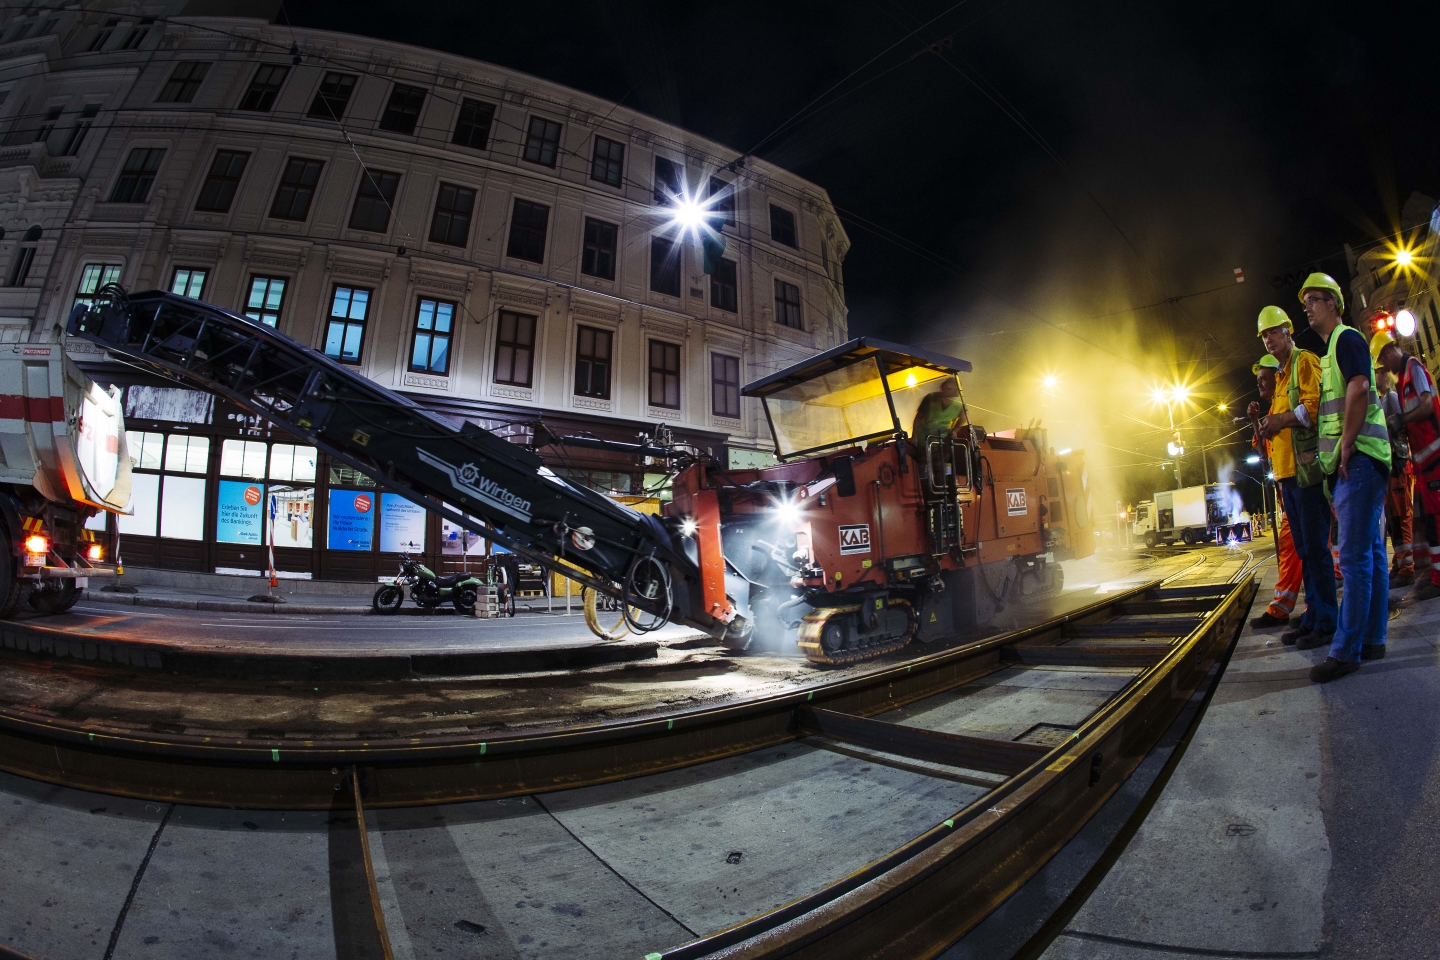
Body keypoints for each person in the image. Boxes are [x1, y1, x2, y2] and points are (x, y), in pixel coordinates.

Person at [1302, 272, 1389, 682]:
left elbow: (1358, 388)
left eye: (1314, 299)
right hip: (1363, 461)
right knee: (1370, 554)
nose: (1308, 306)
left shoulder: (1347, 339)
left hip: (1357, 461)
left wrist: (1347, 445)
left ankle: (1346, 650)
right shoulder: (1333, 349)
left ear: (1333, 303)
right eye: (1306, 301)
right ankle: (1372, 640)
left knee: (1353, 558)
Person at [1249, 305, 1335, 647]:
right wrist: (1266, 423)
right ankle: (1314, 614)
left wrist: (1279, 420)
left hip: (1306, 473)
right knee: (1305, 550)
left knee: (1315, 548)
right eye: (1264, 335)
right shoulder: (1282, 376)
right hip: (1288, 477)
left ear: (1288, 331)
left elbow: (1312, 409)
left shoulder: (1304, 362)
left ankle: (1327, 620)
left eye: (1273, 332)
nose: (1268, 339)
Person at [1372, 329, 1440, 600]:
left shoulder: (1414, 368)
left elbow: (1427, 406)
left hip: (1433, 453)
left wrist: (1402, 420)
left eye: (1382, 363)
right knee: (1430, 518)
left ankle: (1436, 576)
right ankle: (1434, 573)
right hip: (1423, 457)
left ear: (1388, 353)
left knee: (1434, 517)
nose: (1383, 370)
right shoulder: (1402, 380)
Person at [1249, 354, 1303, 628]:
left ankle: (1284, 609)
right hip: (1289, 488)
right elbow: (1261, 449)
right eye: (1257, 380)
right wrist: (1255, 420)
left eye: (1263, 378)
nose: (1259, 383)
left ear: (1276, 377)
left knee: (1299, 548)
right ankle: (1303, 608)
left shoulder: (1285, 402)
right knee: (1297, 548)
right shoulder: (1271, 412)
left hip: (1300, 481)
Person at [1373, 363, 1415, 586]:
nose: (1375, 376)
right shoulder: (1382, 399)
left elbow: (1400, 430)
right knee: (1393, 520)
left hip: (1397, 464)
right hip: (1389, 466)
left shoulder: (1391, 398)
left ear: (1386, 374)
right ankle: (1400, 562)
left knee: (1401, 516)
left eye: (1378, 371)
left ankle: (1407, 567)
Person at [911, 376, 967, 442]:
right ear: (943, 386)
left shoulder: (959, 405)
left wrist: (954, 431)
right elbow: (918, 418)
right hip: (924, 439)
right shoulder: (931, 397)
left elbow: (962, 421)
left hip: (943, 442)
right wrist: (914, 436)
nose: (949, 387)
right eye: (948, 386)